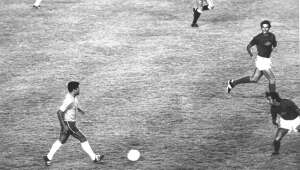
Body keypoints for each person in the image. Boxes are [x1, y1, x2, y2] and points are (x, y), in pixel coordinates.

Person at [43, 81, 104, 166]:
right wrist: (64, 126)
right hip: (69, 124)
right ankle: (94, 158)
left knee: (61, 140)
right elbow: (59, 112)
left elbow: (73, 105)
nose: (79, 90)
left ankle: (48, 157)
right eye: (78, 88)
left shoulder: (73, 97)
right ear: (74, 89)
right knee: (83, 138)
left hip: (69, 124)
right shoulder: (69, 100)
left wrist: (79, 110)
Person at [227, 20, 277, 94]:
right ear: (261, 28)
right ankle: (274, 98)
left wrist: (271, 49)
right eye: (263, 27)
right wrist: (251, 55)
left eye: (266, 27)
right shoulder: (258, 38)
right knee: (272, 79)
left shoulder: (272, 36)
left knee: (254, 79)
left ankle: (233, 83)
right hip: (261, 61)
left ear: (269, 28)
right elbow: (248, 47)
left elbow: (274, 44)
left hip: (267, 60)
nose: (265, 29)